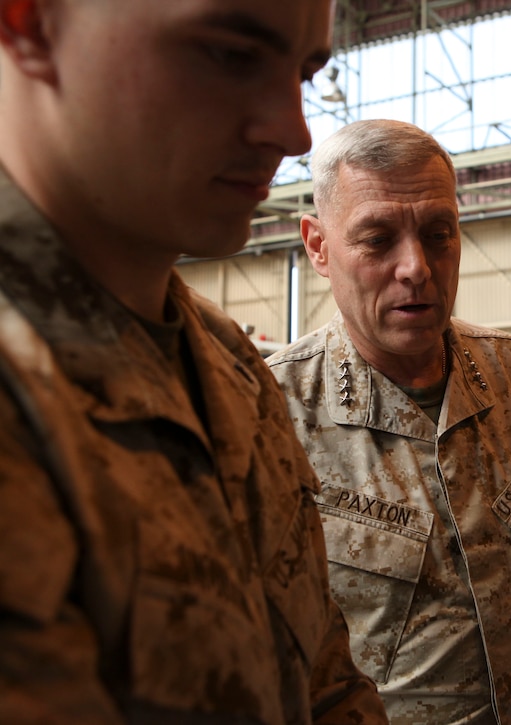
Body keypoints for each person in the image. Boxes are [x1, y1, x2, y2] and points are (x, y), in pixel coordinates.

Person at [0, 1, 388, 722]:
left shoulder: (230, 367)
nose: (293, 131)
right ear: (30, 21)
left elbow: (324, 680)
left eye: (304, 72)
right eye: (230, 54)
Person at [267, 119, 511, 724]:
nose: (415, 266)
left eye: (438, 234)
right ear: (317, 246)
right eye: (378, 238)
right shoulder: (270, 414)